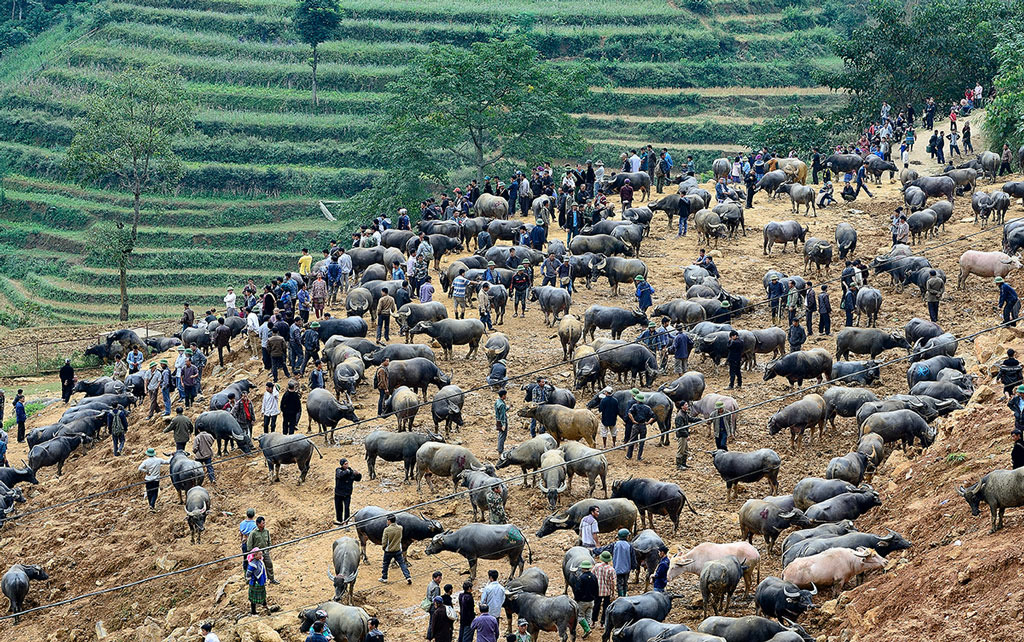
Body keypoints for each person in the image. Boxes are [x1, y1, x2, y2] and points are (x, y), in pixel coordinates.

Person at [377, 514, 412, 583]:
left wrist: (384, 548)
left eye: (387, 520)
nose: (387, 522)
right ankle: (408, 576)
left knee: (385, 564)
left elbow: (384, 541)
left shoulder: (387, 530)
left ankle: (384, 578)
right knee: (402, 564)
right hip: (398, 550)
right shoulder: (400, 528)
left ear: (389, 521)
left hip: (389, 551)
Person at [570, 560, 598, 636]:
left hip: (583, 601)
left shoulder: (581, 578)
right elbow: (596, 588)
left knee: (580, 616)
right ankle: (587, 630)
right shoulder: (594, 576)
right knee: (588, 615)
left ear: (583, 568)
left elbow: (577, 590)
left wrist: (576, 599)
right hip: (591, 601)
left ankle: (587, 629)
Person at [246, 516, 277, 584]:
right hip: (256, 554)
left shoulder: (266, 531)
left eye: (264, 523)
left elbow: (269, 542)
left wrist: (268, 549)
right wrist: (254, 554)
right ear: (258, 524)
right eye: (263, 523)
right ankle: (253, 581)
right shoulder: (253, 533)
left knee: (269, 565)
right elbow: (249, 544)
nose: (264, 524)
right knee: (257, 568)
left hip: (265, 552)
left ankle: (271, 579)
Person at [624, 390, 653, 461]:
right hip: (643, 426)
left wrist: (633, 420)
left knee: (632, 440)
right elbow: (653, 416)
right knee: (642, 441)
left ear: (637, 400)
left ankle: (629, 455)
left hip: (636, 425)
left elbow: (629, 413)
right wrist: (648, 422)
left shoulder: (634, 406)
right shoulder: (647, 408)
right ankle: (639, 457)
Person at [138, 448, 169, 512]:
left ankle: (150, 505)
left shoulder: (146, 461)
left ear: (148, 454)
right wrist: (172, 456)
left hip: (148, 479)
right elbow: (167, 462)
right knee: (155, 493)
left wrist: (146, 471)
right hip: (156, 479)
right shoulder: (158, 460)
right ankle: (152, 505)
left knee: (149, 492)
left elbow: (140, 468)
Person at [334, 458, 362, 525]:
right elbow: (340, 475)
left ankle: (346, 522)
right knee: (339, 508)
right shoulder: (338, 470)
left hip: (347, 494)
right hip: (338, 494)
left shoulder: (351, 471)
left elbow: (358, 479)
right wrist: (347, 471)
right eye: (345, 464)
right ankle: (339, 522)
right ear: (342, 465)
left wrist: (358, 474)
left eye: (347, 464)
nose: (346, 465)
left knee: (347, 508)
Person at [245, 547, 271, 615]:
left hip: (260, 581)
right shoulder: (252, 564)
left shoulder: (259, 561)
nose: (261, 555)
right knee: (254, 599)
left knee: (262, 595)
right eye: (259, 554)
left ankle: (265, 606)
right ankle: (253, 611)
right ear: (255, 555)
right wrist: (250, 579)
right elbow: (248, 573)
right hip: (255, 582)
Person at [592, 550, 614, 624]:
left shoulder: (597, 566)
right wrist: (612, 592)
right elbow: (612, 582)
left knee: (596, 605)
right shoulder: (611, 569)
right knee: (606, 607)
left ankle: (593, 621)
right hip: (607, 591)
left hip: (597, 590)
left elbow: (592, 576)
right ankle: (602, 622)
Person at [611, 529, 634, 597]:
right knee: (625, 582)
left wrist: (595, 551)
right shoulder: (629, 545)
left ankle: (620, 595)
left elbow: (605, 548)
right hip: (627, 568)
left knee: (619, 583)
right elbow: (633, 557)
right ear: (626, 537)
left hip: (618, 568)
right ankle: (624, 594)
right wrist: (633, 566)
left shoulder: (615, 544)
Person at [674, 402, 692, 469]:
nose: (687, 406)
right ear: (682, 407)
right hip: (681, 436)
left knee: (685, 450)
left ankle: (684, 464)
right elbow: (680, 428)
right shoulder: (680, 416)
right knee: (681, 450)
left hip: (684, 435)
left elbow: (690, 419)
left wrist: (700, 420)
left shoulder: (684, 414)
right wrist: (687, 435)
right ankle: (679, 465)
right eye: (686, 405)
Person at [239, 508, 257, 572]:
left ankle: (245, 574)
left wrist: (242, 541)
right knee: (253, 559)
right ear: (253, 515)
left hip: (244, 542)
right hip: (251, 544)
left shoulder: (242, 523)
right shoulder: (255, 525)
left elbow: (241, 533)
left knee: (245, 558)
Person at [494, 389, 509, 455]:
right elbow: (502, 415)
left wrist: (508, 408)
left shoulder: (498, 401)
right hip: (502, 421)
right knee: (503, 436)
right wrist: (504, 424)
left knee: (500, 435)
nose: (506, 396)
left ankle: (500, 448)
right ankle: (500, 450)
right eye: (505, 395)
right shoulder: (502, 404)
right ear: (503, 395)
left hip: (498, 420)